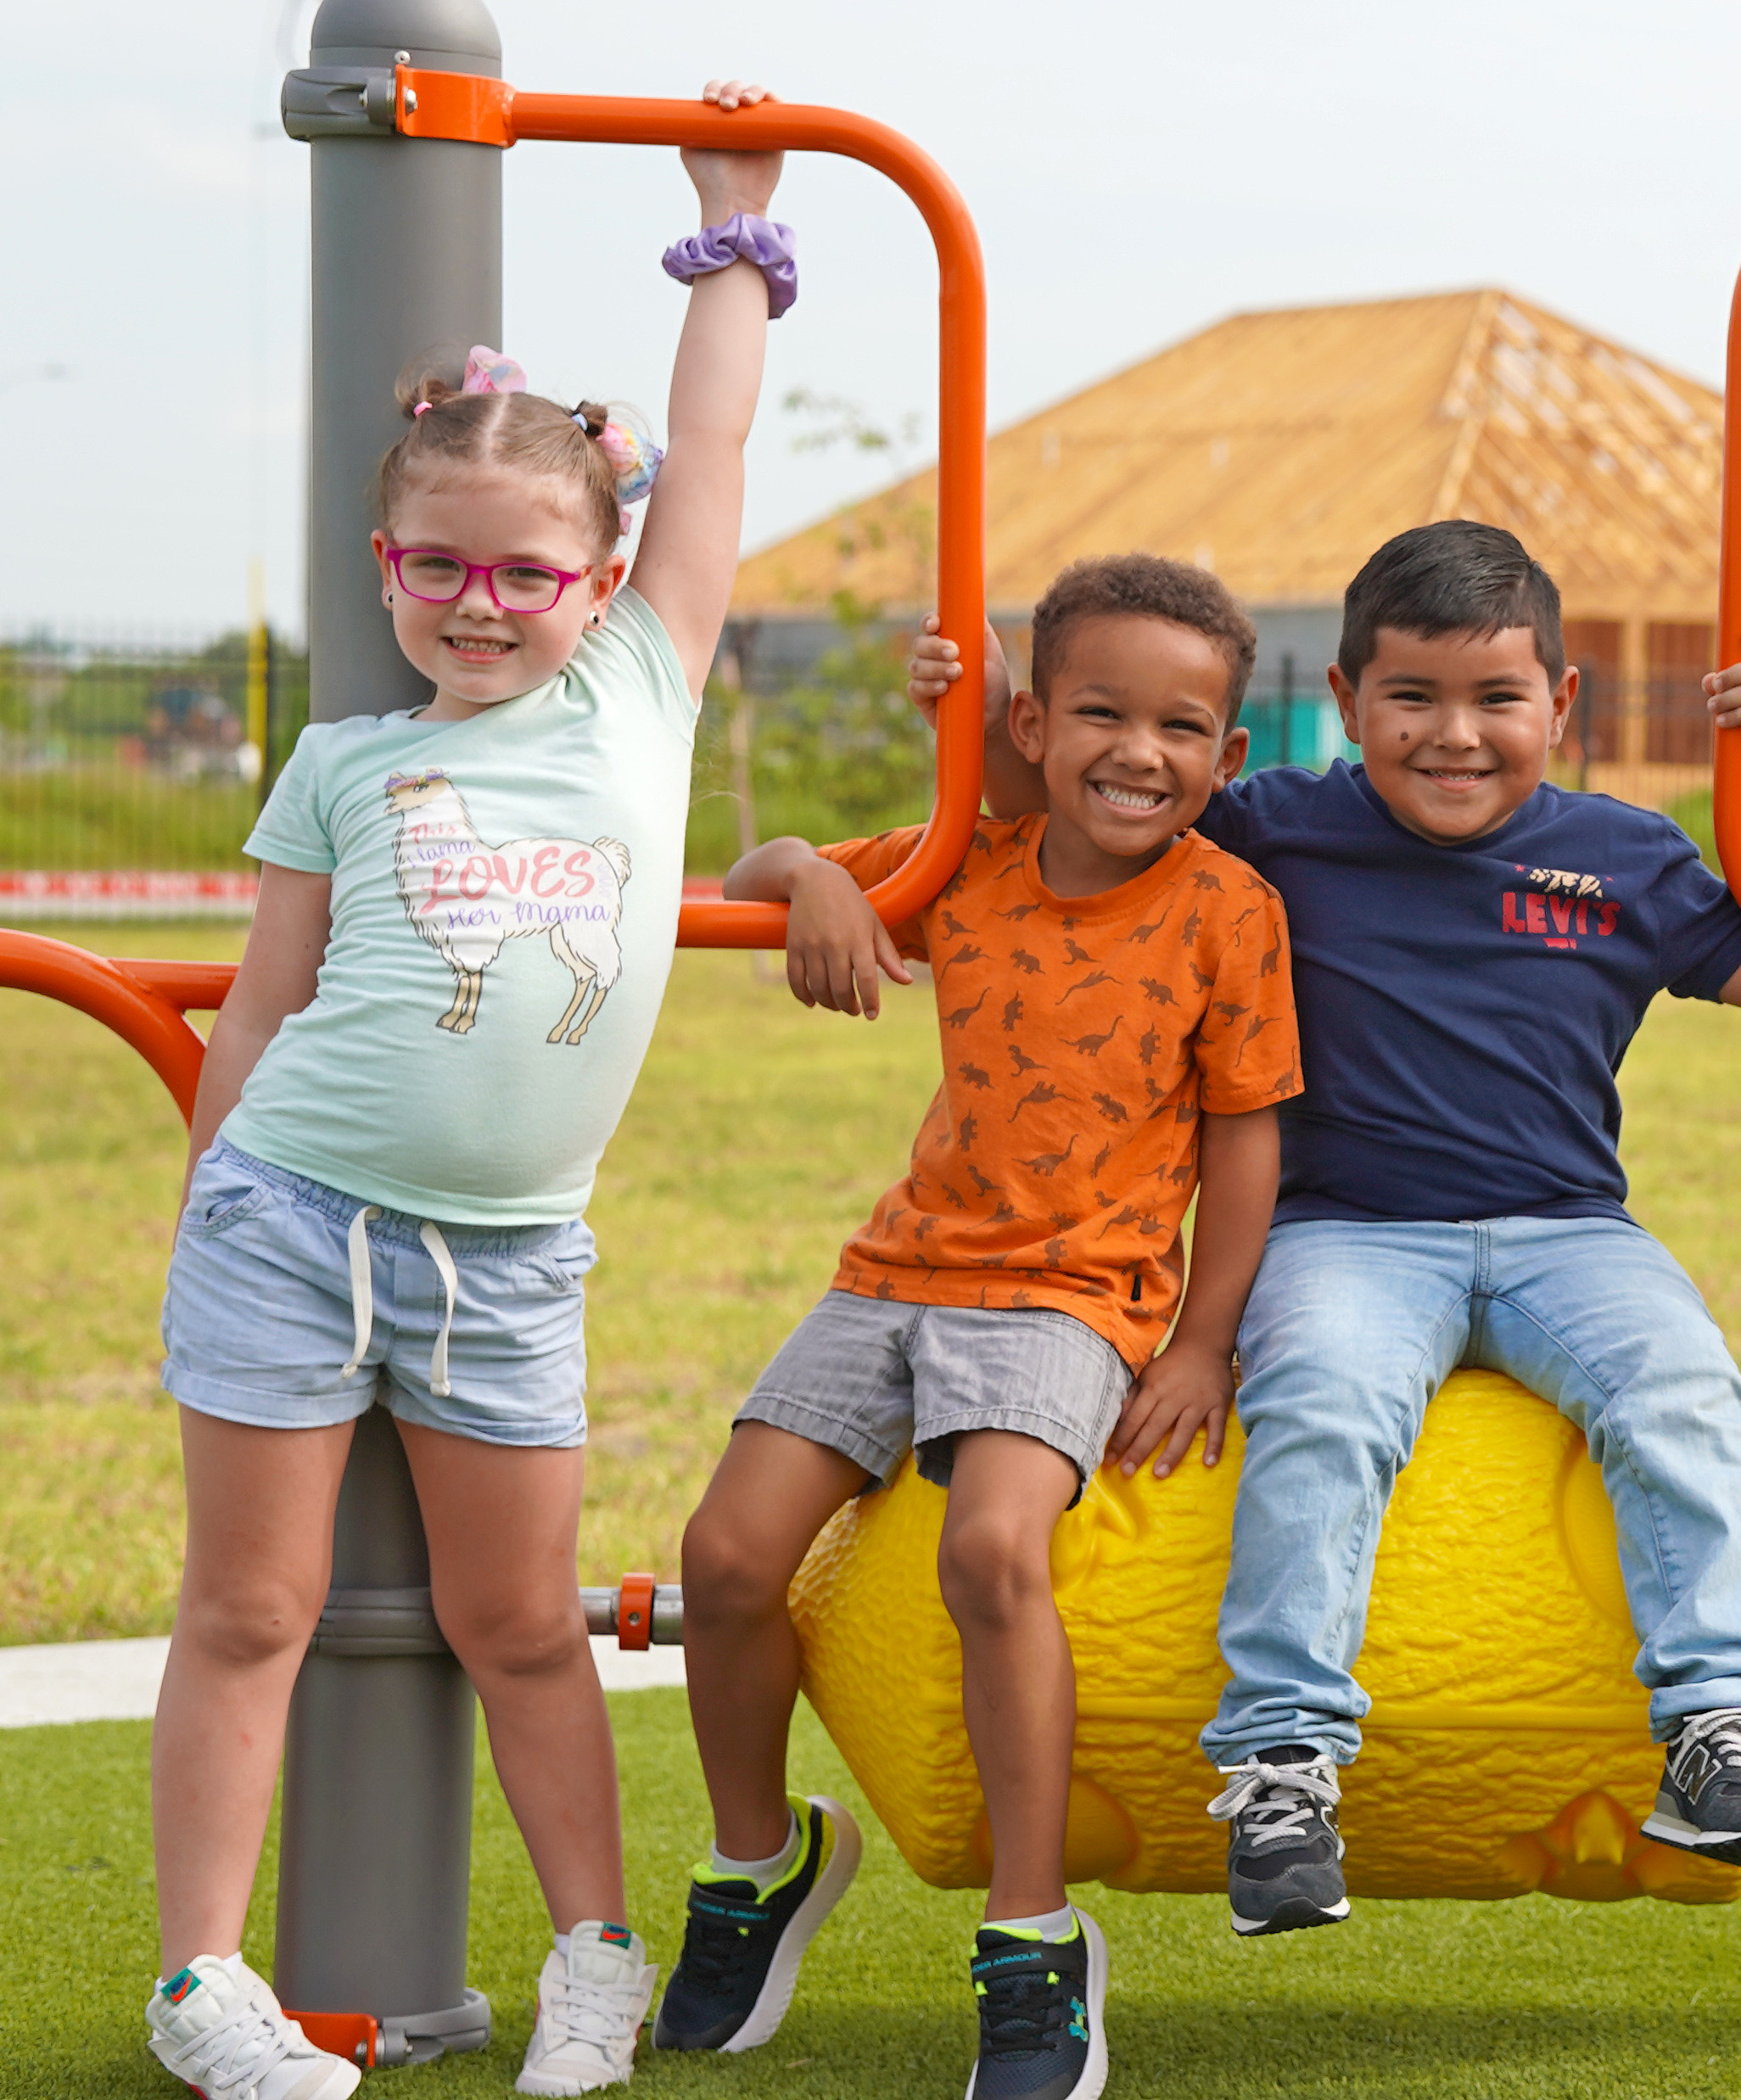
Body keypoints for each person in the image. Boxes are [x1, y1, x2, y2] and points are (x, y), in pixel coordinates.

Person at [910, 516, 1741, 1936]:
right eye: (1412, 698)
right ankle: (1283, 1759)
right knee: (1325, 1406)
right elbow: (1080, 797)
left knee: (1682, 1387)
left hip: (1566, 1229)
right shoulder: (1275, 826)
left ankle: (1723, 1728)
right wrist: (974, 702)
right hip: (1348, 1232)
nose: (1454, 736)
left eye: (1496, 700)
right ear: (1347, 706)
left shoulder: (1620, 856)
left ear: (1561, 706)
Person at [143, 81, 787, 2100]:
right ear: (386, 559)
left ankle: (590, 1955)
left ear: (598, 577)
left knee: (520, 1621)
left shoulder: (643, 687)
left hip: (507, 1253)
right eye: (438, 568)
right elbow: (264, 1006)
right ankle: (203, 1986)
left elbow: (721, 453)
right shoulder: (344, 755)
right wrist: (214, 1185)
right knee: (252, 1604)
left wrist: (733, 225)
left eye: (524, 571)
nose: (479, 602)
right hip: (292, 1213)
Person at [663, 555, 1298, 2098]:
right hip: (900, 1271)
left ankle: (1033, 1942)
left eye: (1183, 728)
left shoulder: (1231, 909)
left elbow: (1245, 1141)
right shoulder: (966, 857)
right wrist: (815, 877)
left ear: (1229, 754)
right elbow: (762, 863)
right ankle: (764, 1860)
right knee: (727, 1559)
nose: (1137, 753)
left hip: (1077, 1291)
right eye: (1099, 712)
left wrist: (1204, 1340)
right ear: (1030, 719)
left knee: (993, 1552)